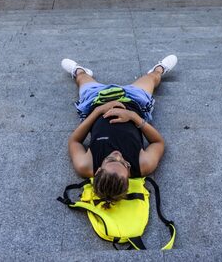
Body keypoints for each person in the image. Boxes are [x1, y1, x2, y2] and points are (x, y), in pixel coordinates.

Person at [62, 55, 177, 204]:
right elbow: (158, 142)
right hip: (134, 101)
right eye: (124, 163)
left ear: (98, 171)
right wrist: (133, 117)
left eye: (110, 159)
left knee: (81, 79)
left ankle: (79, 71)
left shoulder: (86, 165)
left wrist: (98, 111)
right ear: (129, 175)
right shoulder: (144, 164)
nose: (118, 155)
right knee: (152, 78)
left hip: (96, 100)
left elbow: (74, 141)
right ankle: (159, 69)